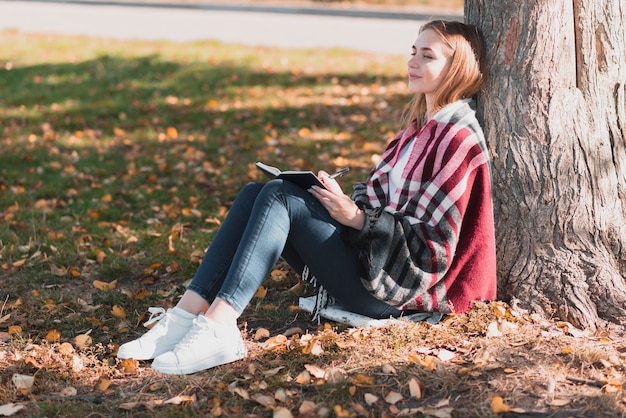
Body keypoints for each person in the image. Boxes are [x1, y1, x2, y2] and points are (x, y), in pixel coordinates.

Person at [117, 20, 497, 375]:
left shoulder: (456, 140)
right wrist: (341, 200)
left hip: (396, 292)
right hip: (372, 262)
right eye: (413, 50)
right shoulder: (414, 132)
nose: (412, 61)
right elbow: (382, 201)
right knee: (257, 193)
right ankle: (185, 317)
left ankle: (219, 327)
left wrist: (359, 219)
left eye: (427, 55)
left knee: (281, 197)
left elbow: (434, 249)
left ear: (458, 67)